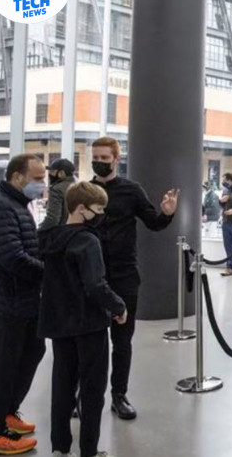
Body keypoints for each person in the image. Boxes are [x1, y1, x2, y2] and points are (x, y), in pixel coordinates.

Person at [89, 136, 179, 420]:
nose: (99, 162)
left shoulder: (131, 190)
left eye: (105, 158)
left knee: (122, 341)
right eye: (96, 158)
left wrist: (167, 214)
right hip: (91, 277)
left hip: (124, 275)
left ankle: (119, 395)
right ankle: (85, 394)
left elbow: (153, 222)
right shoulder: (85, 191)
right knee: (89, 342)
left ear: (116, 159)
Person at [39, 182, 127, 457]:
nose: (101, 214)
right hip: (89, 324)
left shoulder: (50, 238)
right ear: (81, 209)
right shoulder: (88, 241)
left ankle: (59, 447)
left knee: (62, 387)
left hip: (59, 324)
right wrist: (118, 306)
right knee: (92, 389)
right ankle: (89, 450)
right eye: (98, 209)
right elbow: (95, 285)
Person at [0, 154, 47, 456]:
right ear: (17, 177)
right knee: (5, 363)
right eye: (37, 178)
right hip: (4, 302)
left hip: (21, 299)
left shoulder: (16, 204)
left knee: (33, 350)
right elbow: (12, 257)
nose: (42, 184)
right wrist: (51, 274)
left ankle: (6, 412)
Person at [39, 158, 77, 231]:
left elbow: (53, 218)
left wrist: (39, 231)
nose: (50, 174)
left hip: (60, 232)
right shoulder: (79, 186)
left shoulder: (56, 189)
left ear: (61, 173)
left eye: (52, 172)